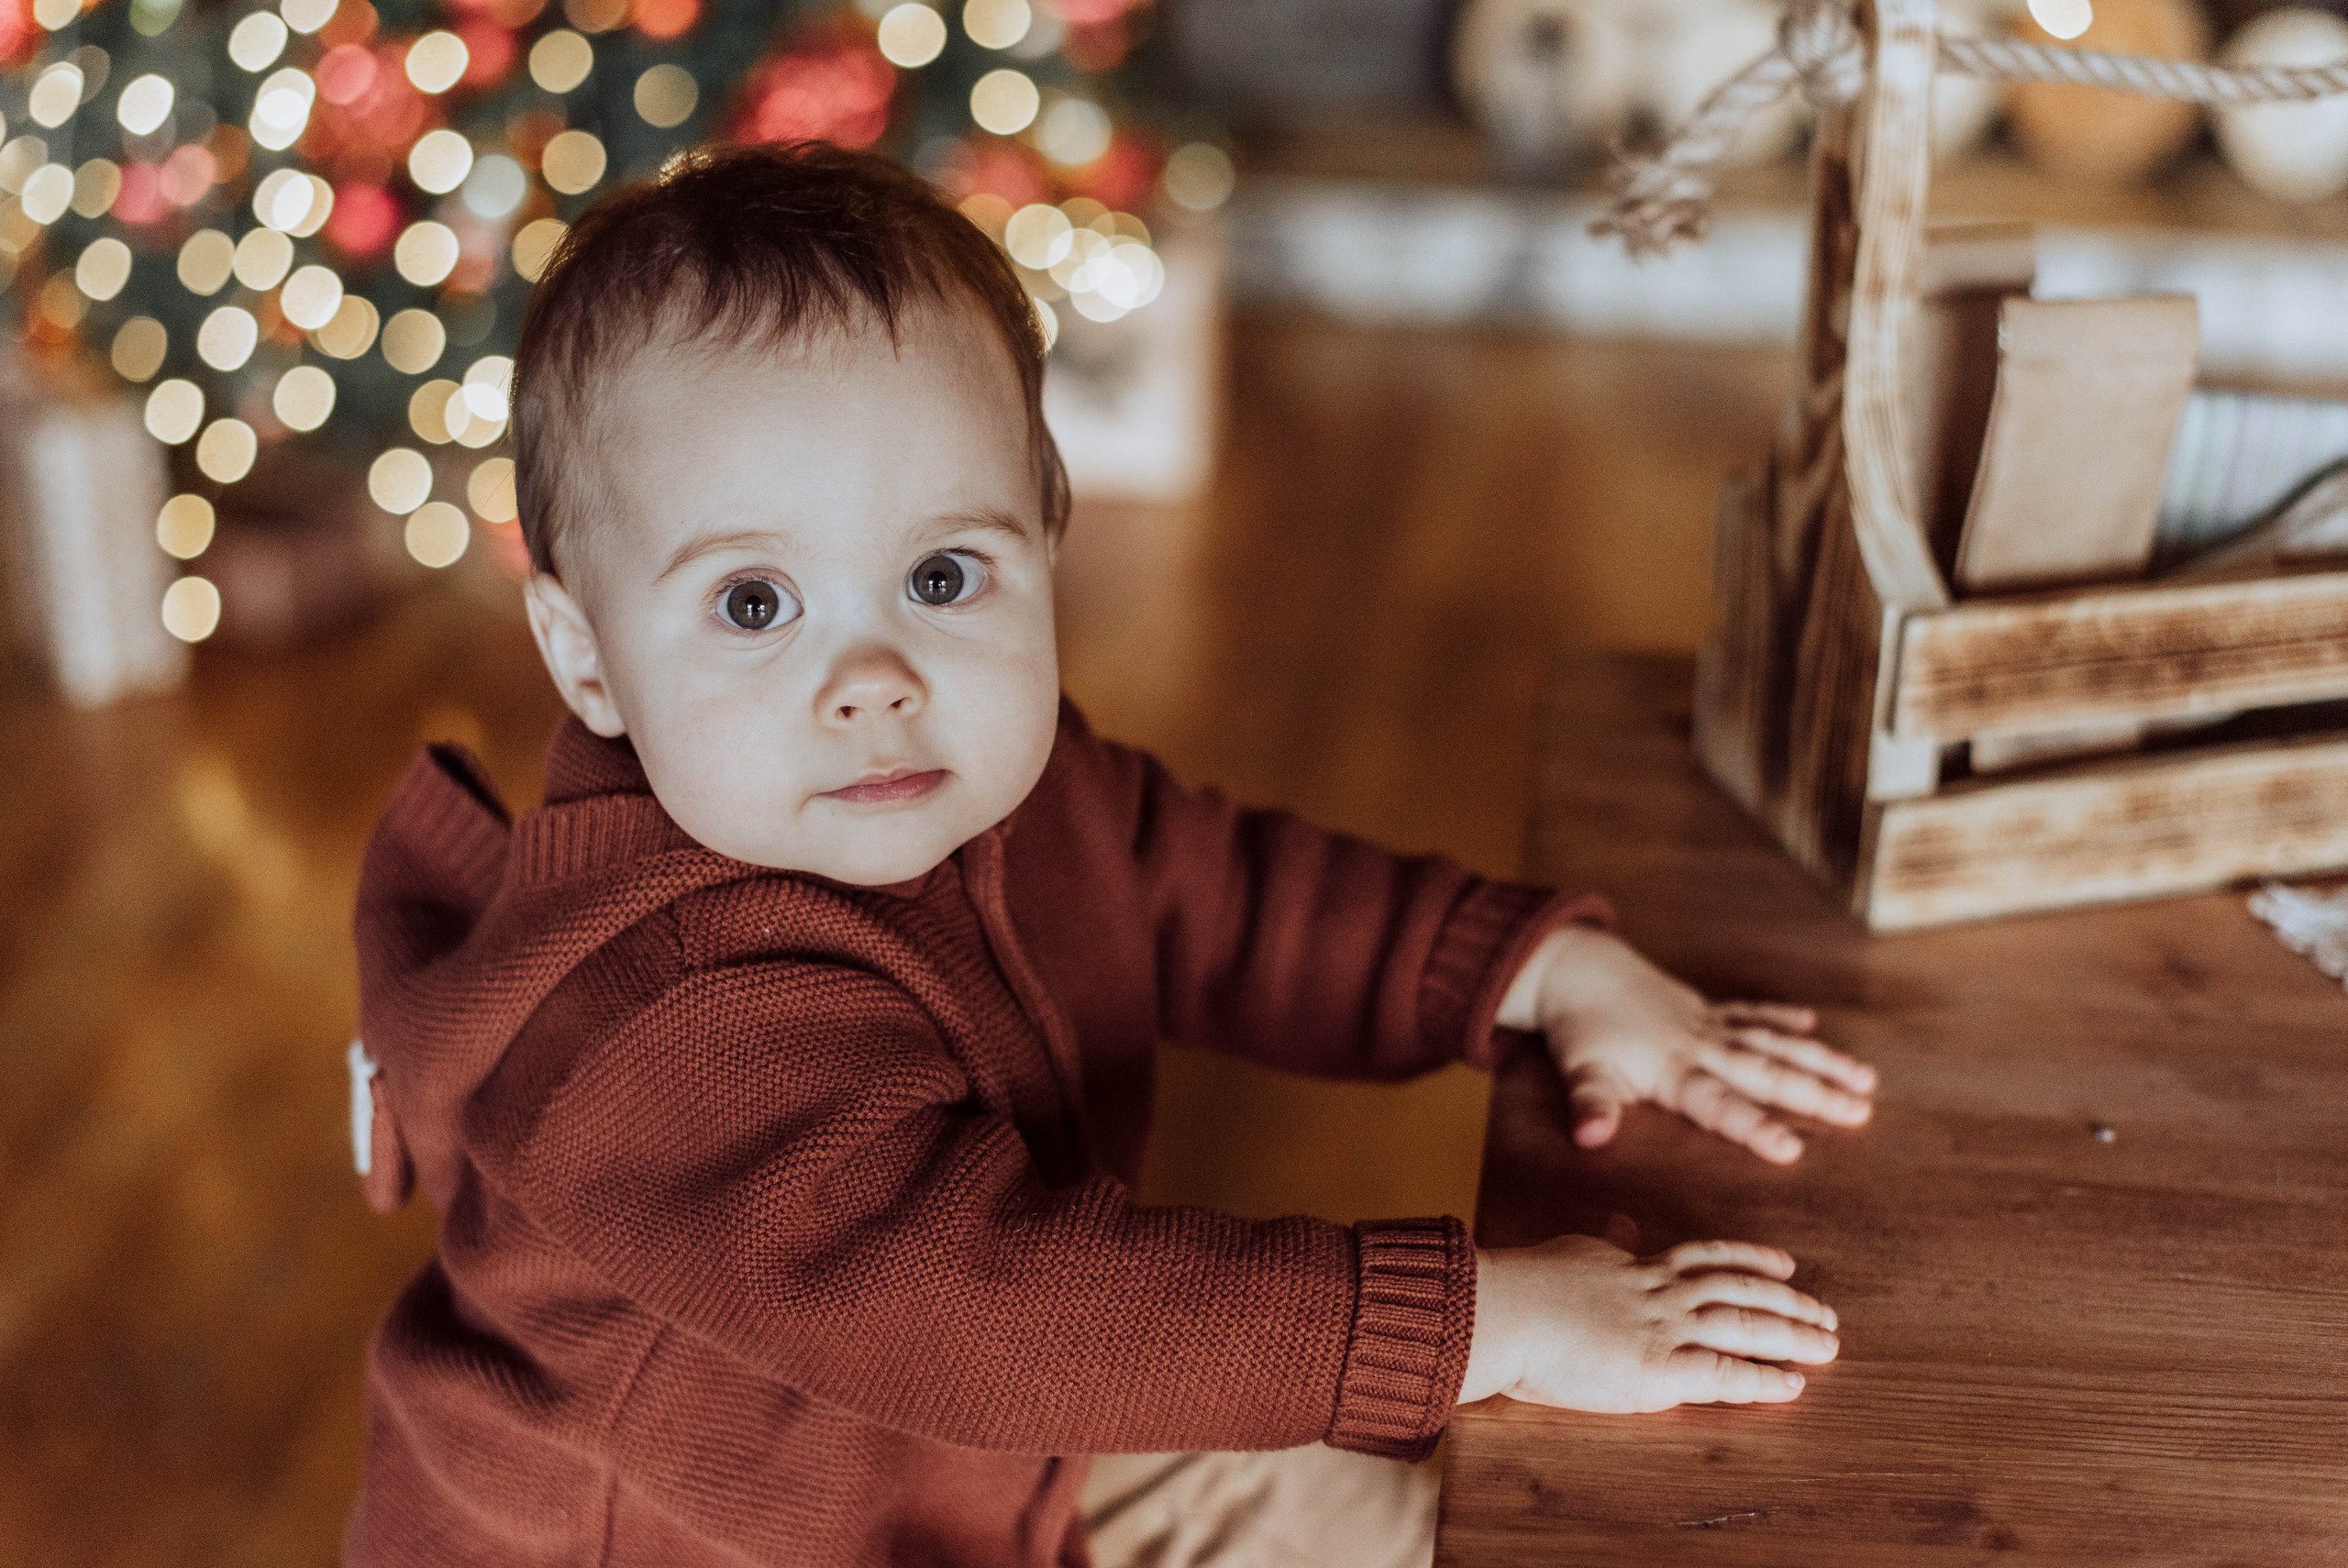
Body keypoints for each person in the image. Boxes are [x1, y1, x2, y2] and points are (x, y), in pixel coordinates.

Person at [344, 141, 1876, 1568]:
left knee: (1429, 1522)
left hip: (1005, 1445)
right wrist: (1492, 1319)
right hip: (705, 1529)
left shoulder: (986, 779)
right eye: (756, 604)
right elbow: (980, 1310)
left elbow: (1224, 895)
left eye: (943, 575)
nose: (874, 673)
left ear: (1047, 537)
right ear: (588, 658)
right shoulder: (648, 1030)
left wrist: (1536, 966)